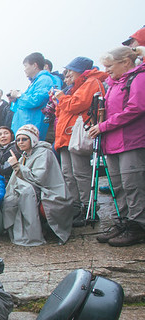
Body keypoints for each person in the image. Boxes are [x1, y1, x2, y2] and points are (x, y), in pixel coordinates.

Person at [88, 46, 145, 246]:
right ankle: (122, 222)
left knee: (133, 186)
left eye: (110, 66)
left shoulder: (138, 78)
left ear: (126, 63)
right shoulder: (114, 84)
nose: (107, 70)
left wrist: (103, 126)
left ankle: (137, 226)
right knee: (118, 186)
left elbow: (135, 108)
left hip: (131, 141)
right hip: (112, 143)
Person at [52, 56, 106, 227]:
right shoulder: (75, 86)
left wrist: (62, 97)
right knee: (68, 174)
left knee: (81, 173)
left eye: (71, 70)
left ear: (80, 71)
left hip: (76, 136)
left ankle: (88, 209)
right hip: (66, 136)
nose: (68, 73)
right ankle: (76, 207)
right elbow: (62, 112)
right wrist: (59, 101)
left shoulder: (91, 82)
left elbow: (78, 104)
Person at [3, 124, 72, 246]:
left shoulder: (44, 153)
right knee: (12, 196)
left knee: (26, 192)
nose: (20, 142)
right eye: (18, 140)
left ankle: (33, 232)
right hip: (36, 190)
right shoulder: (25, 155)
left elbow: (38, 179)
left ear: (32, 139)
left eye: (24, 139)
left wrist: (16, 166)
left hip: (50, 191)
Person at [9, 52, 61, 139]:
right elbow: (24, 104)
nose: (25, 69)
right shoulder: (35, 82)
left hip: (33, 127)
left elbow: (36, 101)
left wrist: (19, 95)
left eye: (26, 66)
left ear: (34, 65)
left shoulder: (44, 80)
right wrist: (15, 100)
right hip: (26, 128)